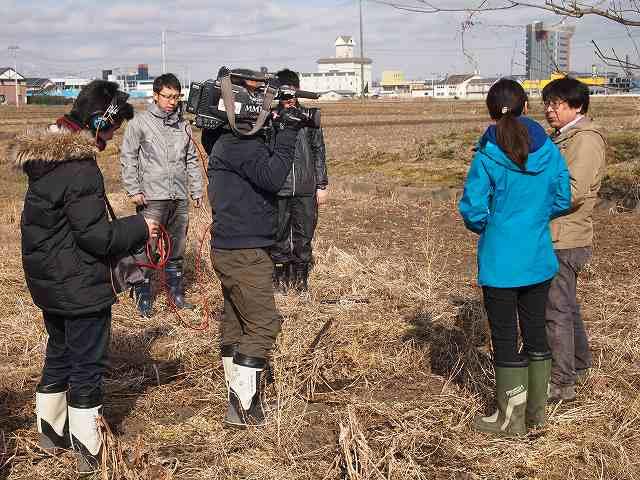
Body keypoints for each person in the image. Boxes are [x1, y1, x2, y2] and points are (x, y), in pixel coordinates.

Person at [12, 80, 157, 472]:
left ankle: (51, 431)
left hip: (50, 283)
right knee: (87, 364)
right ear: (98, 122)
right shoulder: (79, 169)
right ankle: (89, 447)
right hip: (79, 284)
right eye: (112, 128)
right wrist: (142, 227)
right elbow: (97, 236)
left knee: (59, 352)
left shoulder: (45, 162)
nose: (112, 138)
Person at [459, 79, 571, 436]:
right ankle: (538, 414)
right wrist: (535, 219)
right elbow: (562, 197)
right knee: (536, 331)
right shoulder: (549, 149)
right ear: (527, 105)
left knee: (506, 337)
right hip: (538, 256)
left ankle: (510, 419)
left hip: (500, 261)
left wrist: (495, 226)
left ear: (491, 111)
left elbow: (473, 210)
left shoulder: (487, 153)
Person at [207, 68, 303, 427]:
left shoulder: (225, 141)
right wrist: (289, 133)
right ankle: (246, 408)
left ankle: (238, 398)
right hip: (245, 251)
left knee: (236, 323)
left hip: (231, 247)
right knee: (263, 324)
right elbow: (274, 177)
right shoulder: (239, 145)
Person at [542, 77, 606, 402]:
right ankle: (579, 365)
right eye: (548, 103)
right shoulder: (564, 138)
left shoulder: (585, 140)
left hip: (565, 237)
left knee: (556, 310)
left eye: (557, 104)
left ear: (577, 105)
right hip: (559, 234)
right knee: (566, 306)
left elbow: (572, 192)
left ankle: (560, 383)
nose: (550, 110)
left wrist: (530, 203)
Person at [120, 73, 203, 317]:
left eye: (176, 97)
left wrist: (196, 189)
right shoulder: (140, 123)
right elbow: (128, 157)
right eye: (167, 96)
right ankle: (143, 294)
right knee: (148, 246)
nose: (172, 102)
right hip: (152, 196)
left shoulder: (183, 125)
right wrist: (133, 189)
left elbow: (191, 159)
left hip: (178, 196)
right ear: (155, 96)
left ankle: (175, 294)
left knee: (176, 247)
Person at [270, 69, 328, 293]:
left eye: (292, 93)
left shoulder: (309, 119)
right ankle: (280, 278)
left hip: (306, 186)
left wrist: (321, 184)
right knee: (279, 234)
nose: (289, 99)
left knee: (304, 234)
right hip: (278, 187)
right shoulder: (270, 118)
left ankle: (301, 279)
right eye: (284, 94)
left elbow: (318, 150)